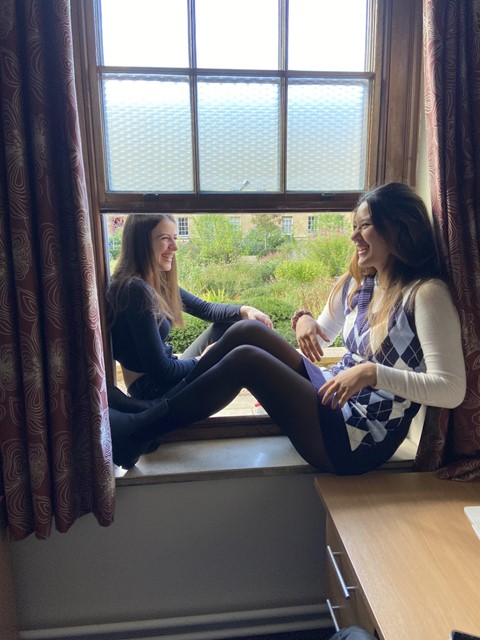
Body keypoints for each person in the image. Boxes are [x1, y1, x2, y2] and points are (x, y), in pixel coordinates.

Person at [109, 182, 466, 472]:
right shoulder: (361, 285)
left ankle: (140, 430)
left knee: (247, 359)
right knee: (246, 332)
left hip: (361, 434)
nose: (354, 237)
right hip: (332, 396)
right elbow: (321, 334)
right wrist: (304, 319)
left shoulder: (426, 294)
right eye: (354, 227)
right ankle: (149, 416)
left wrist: (372, 373)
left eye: (364, 226)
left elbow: (451, 390)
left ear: (396, 230)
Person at [107, 213, 272, 401]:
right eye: (165, 238)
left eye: (175, 238)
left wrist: (246, 310)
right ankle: (291, 396)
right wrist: (203, 360)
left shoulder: (155, 282)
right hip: (154, 392)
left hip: (165, 379)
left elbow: (205, 309)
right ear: (141, 242)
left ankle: (299, 385)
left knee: (230, 326)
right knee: (243, 356)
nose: (175, 247)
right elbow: (161, 371)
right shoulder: (135, 290)